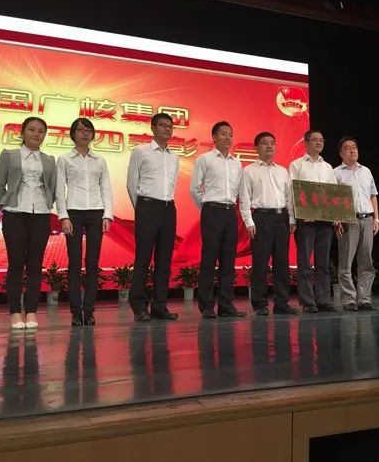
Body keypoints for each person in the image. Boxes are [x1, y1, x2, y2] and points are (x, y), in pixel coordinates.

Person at [0, 116, 56, 329]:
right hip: (15, 214)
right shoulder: (9, 155)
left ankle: (31, 312)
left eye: (41, 131)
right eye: (32, 129)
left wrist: (48, 204)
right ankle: (15, 313)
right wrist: (5, 206)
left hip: (41, 214)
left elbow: (53, 188)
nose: (36, 134)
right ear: (23, 132)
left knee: (36, 265)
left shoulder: (49, 160)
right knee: (16, 263)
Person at [56, 117, 113, 326]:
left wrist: (107, 215)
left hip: (96, 213)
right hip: (74, 212)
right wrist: (63, 216)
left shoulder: (100, 160)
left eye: (88, 130)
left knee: (92, 264)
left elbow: (106, 187)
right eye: (80, 130)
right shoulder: (64, 159)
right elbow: (59, 189)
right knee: (74, 263)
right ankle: (75, 312)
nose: (85, 133)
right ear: (73, 134)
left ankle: (88, 311)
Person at [126, 113, 180, 322]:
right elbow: (132, 183)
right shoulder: (141, 151)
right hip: (147, 206)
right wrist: (141, 208)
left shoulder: (174, 157)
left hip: (168, 208)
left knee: (164, 259)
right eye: (163, 125)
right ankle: (139, 305)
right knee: (143, 258)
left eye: (170, 126)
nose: (167, 129)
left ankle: (160, 305)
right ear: (153, 128)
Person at [239, 132, 299, 315]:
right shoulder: (249, 170)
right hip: (261, 217)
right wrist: (248, 221)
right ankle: (259, 304)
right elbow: (244, 198)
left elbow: (288, 197)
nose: (269, 146)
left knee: (282, 262)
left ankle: (282, 303)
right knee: (260, 262)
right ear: (256, 147)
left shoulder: (282, 171)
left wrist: (291, 218)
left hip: (281, 218)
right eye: (265, 143)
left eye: (272, 143)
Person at [190, 121, 246, 319]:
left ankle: (226, 304)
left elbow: (239, 191)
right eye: (223, 134)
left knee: (228, 260)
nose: (228, 137)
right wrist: (206, 208)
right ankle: (206, 305)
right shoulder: (204, 159)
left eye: (230, 134)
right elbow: (195, 188)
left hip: (230, 212)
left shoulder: (236, 162)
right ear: (214, 137)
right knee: (209, 259)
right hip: (212, 211)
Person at [288, 129, 339, 313]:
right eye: (315, 140)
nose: (319, 143)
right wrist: (293, 218)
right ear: (306, 143)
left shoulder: (328, 167)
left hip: (325, 222)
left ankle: (323, 300)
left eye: (321, 140)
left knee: (323, 263)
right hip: (306, 221)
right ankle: (308, 302)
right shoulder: (297, 165)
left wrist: (336, 217)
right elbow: (292, 193)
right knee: (305, 263)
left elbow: (333, 193)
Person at [334, 137, 379, 311]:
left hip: (367, 218)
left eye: (354, 147)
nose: (352, 150)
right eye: (347, 148)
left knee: (366, 261)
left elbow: (373, 195)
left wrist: (376, 218)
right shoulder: (336, 173)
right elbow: (332, 198)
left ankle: (364, 299)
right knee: (346, 262)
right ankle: (348, 300)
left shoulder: (366, 171)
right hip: (348, 219)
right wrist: (336, 219)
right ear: (341, 153)